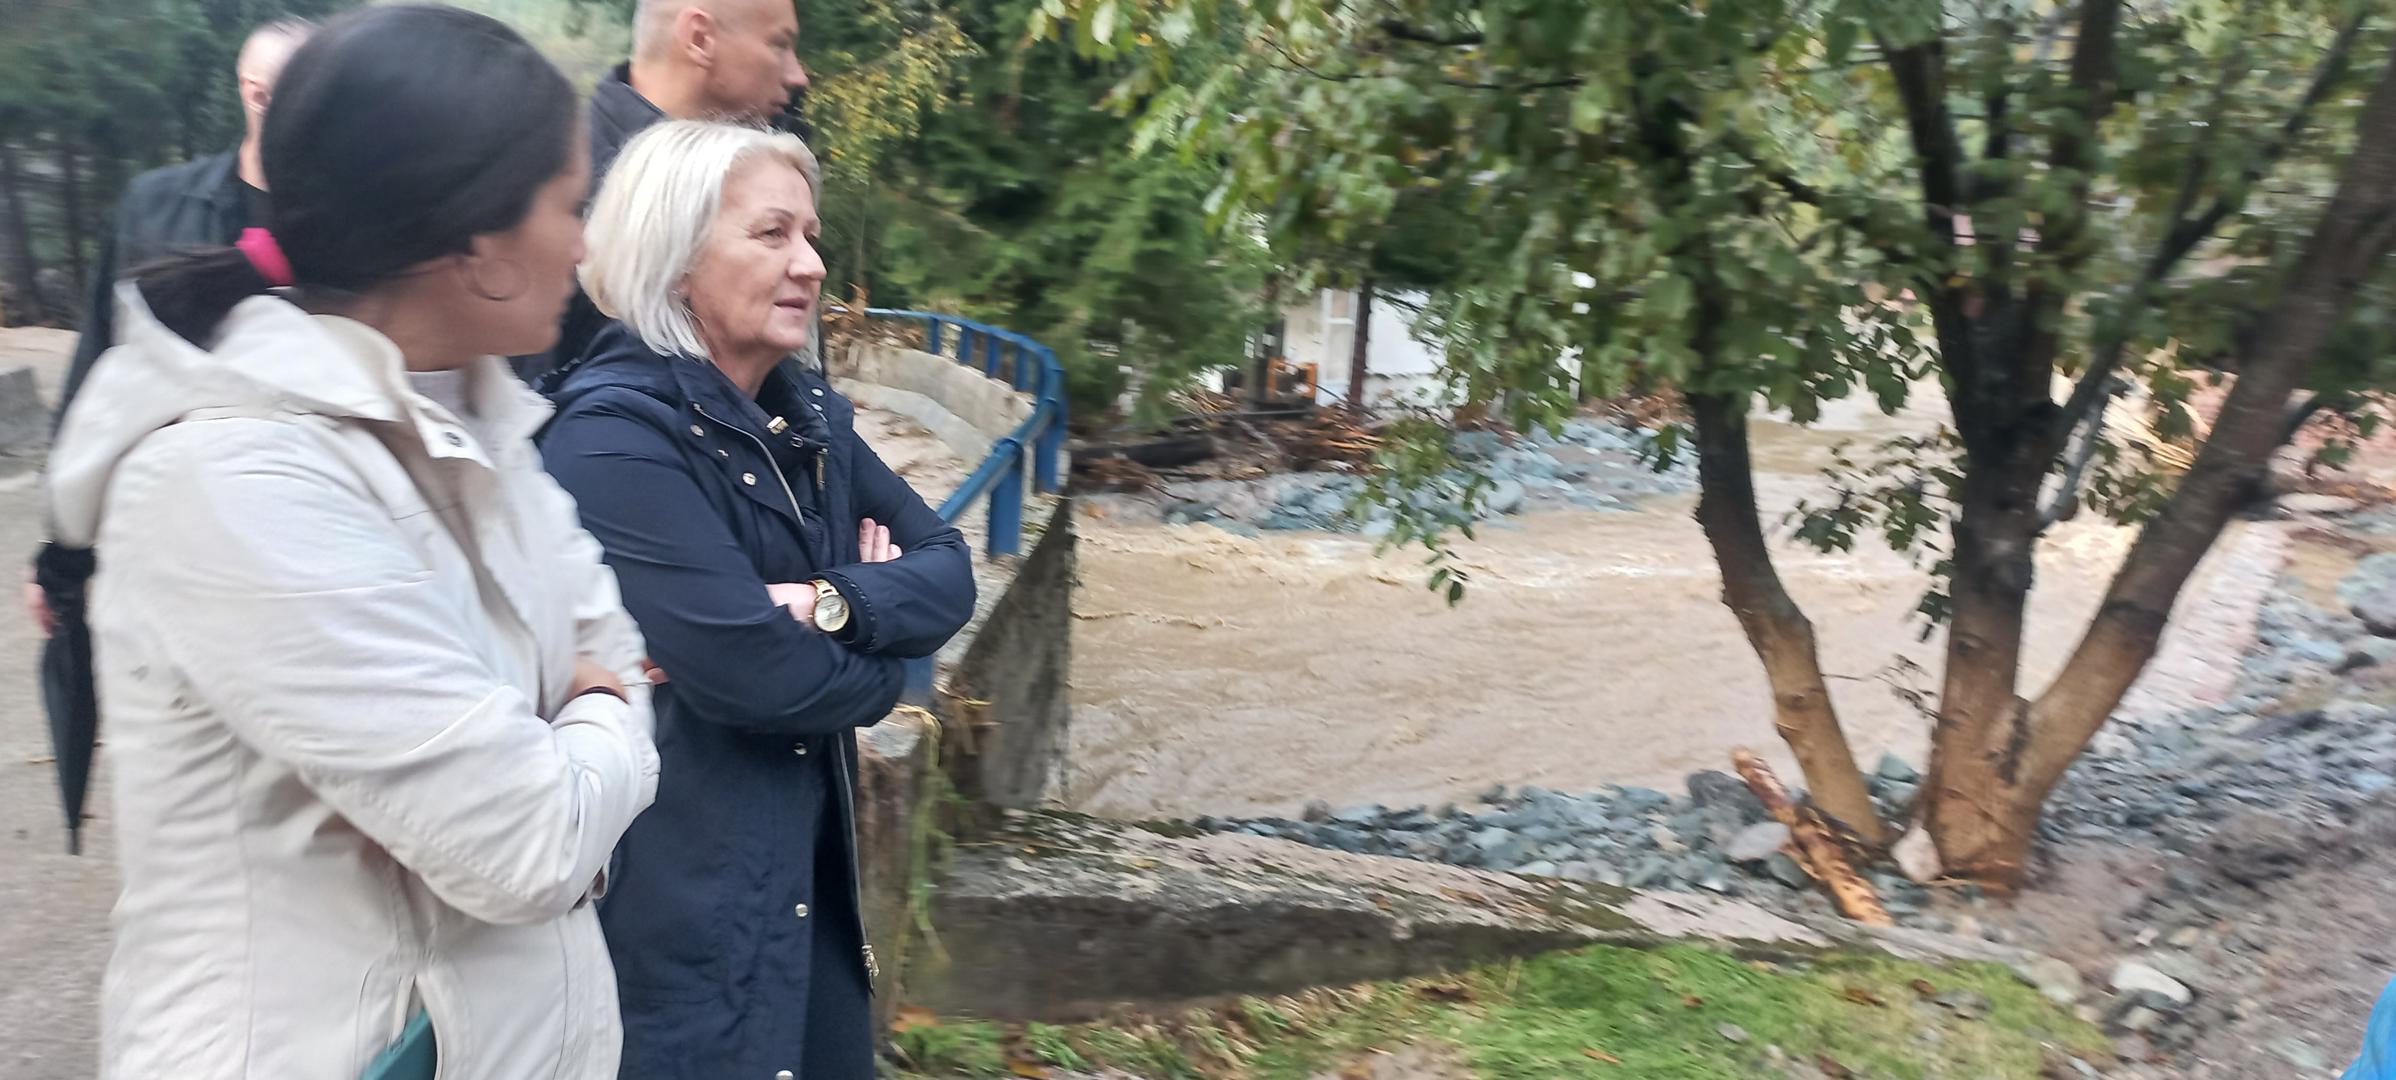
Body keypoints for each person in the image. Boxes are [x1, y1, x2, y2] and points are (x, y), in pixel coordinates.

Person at [44, 7, 659, 1078]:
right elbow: (528, 843)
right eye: (571, 205)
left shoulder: (483, 420)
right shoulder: (232, 479)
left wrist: (575, 726)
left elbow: (614, 651)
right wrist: (599, 710)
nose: (586, 244)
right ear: (475, 241)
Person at [540, 120, 975, 1080]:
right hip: (677, 938)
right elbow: (757, 677)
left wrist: (825, 602)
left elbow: (950, 568)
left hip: (803, 898)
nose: (810, 264)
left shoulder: (808, 418)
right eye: (772, 234)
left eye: (810, 235)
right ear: (674, 257)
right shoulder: (611, 439)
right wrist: (889, 665)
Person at [530, 0, 812, 384]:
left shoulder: (773, 171)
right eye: (779, 45)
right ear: (699, 38)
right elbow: (531, 401)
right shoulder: (556, 188)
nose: (798, 76)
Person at [57, 18, 312, 417]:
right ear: (259, 96)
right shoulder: (154, 205)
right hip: (168, 443)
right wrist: (69, 448)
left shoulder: (357, 223)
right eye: (322, 99)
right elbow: (101, 344)